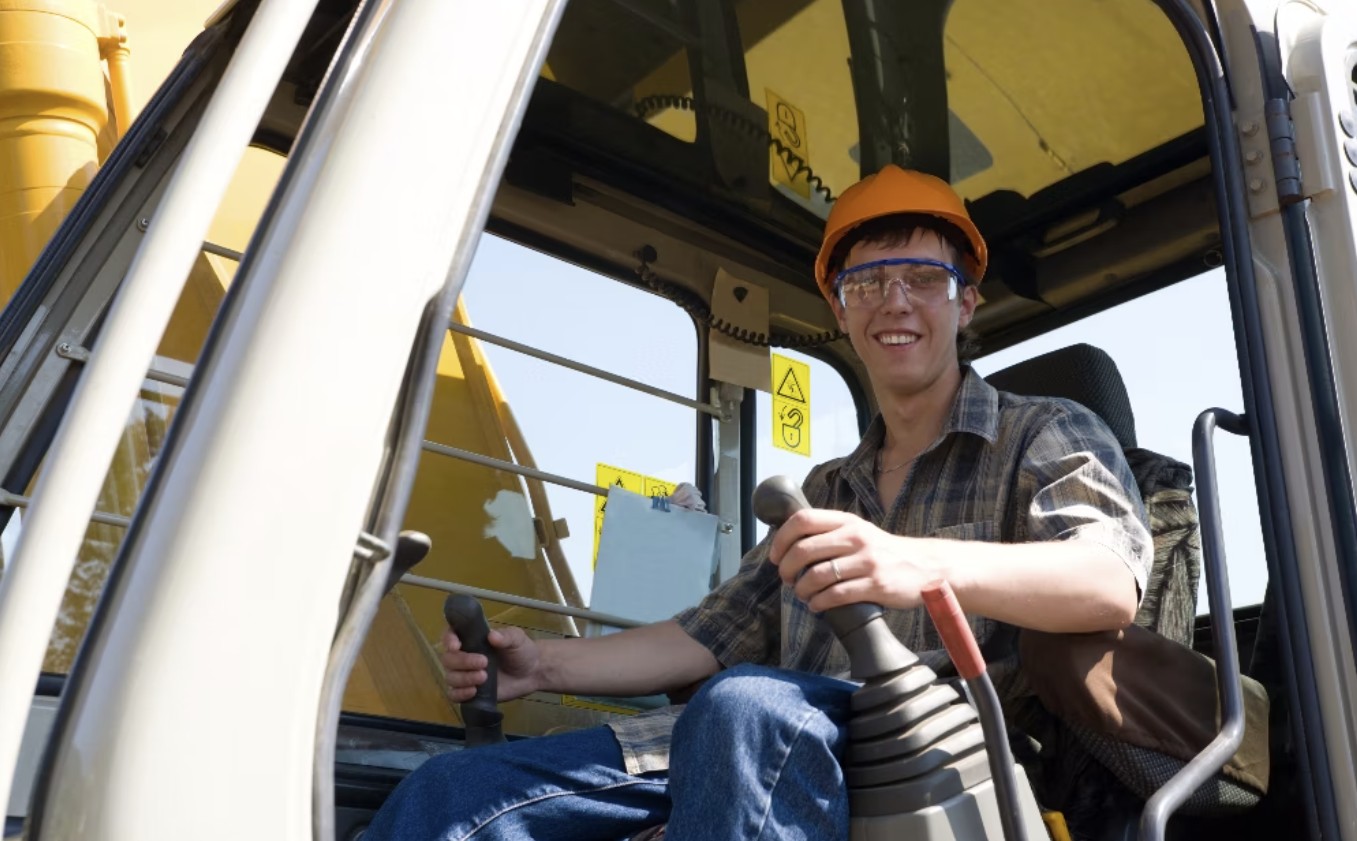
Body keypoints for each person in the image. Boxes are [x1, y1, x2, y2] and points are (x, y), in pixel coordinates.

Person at [363, 165, 1151, 841]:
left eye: (921, 279)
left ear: (965, 302)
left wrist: (914, 564)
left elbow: (1106, 577)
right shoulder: (825, 490)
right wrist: (542, 662)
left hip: (930, 751)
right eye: (866, 283)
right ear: (839, 311)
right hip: (745, 742)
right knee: (450, 790)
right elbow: (703, 635)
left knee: (743, 704)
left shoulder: (1042, 431)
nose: (894, 302)